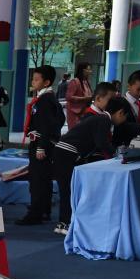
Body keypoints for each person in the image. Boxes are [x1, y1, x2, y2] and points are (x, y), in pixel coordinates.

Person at [52, 87, 126, 235]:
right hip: (68, 152)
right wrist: (117, 154)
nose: (123, 121)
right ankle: (66, 224)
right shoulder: (104, 119)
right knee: (69, 190)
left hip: (62, 151)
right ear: (120, 113)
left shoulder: (99, 118)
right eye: (124, 116)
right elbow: (101, 143)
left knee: (67, 189)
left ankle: (63, 223)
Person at [16, 65, 64, 225]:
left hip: (40, 144)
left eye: (36, 79)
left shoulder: (44, 100)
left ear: (46, 82)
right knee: (44, 178)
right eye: (33, 79)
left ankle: (35, 213)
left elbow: (46, 124)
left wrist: (41, 145)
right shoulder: (49, 98)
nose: (33, 82)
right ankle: (44, 210)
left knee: (37, 179)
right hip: (45, 142)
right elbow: (60, 119)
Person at [65, 62, 93, 129]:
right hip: (74, 112)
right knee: (75, 131)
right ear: (83, 70)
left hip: (84, 111)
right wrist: (84, 98)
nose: (90, 72)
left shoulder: (86, 82)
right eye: (89, 69)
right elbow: (69, 97)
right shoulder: (75, 81)